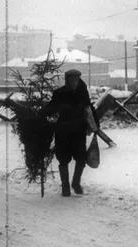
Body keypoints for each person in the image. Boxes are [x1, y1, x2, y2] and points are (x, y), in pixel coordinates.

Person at [43, 69, 99, 197]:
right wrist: (43, 112)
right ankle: (65, 186)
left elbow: (89, 108)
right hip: (63, 131)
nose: (75, 82)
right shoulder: (59, 93)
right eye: (72, 80)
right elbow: (51, 107)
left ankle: (76, 183)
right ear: (67, 80)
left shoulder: (82, 94)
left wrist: (95, 124)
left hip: (78, 131)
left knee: (81, 158)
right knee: (63, 159)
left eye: (77, 80)